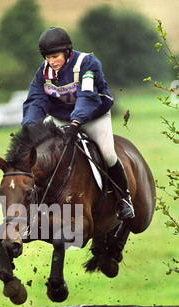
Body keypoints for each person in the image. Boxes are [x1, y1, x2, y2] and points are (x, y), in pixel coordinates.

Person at [22, 27, 134, 220]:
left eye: (55, 56)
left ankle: (124, 198)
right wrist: (30, 128)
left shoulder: (88, 63)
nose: (51, 61)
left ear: (67, 52)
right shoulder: (44, 71)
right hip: (62, 117)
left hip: (93, 116)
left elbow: (88, 96)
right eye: (47, 57)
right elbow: (36, 100)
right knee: (46, 152)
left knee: (107, 153)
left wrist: (76, 122)